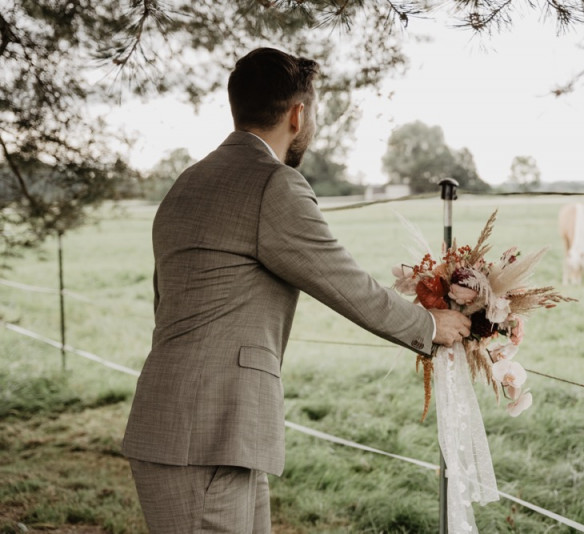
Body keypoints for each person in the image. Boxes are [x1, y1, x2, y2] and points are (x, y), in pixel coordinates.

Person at [121, 47, 471, 533]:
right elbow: (345, 282)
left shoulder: (188, 182)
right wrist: (431, 324)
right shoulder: (272, 184)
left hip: (196, 428)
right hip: (207, 435)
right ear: (298, 114)